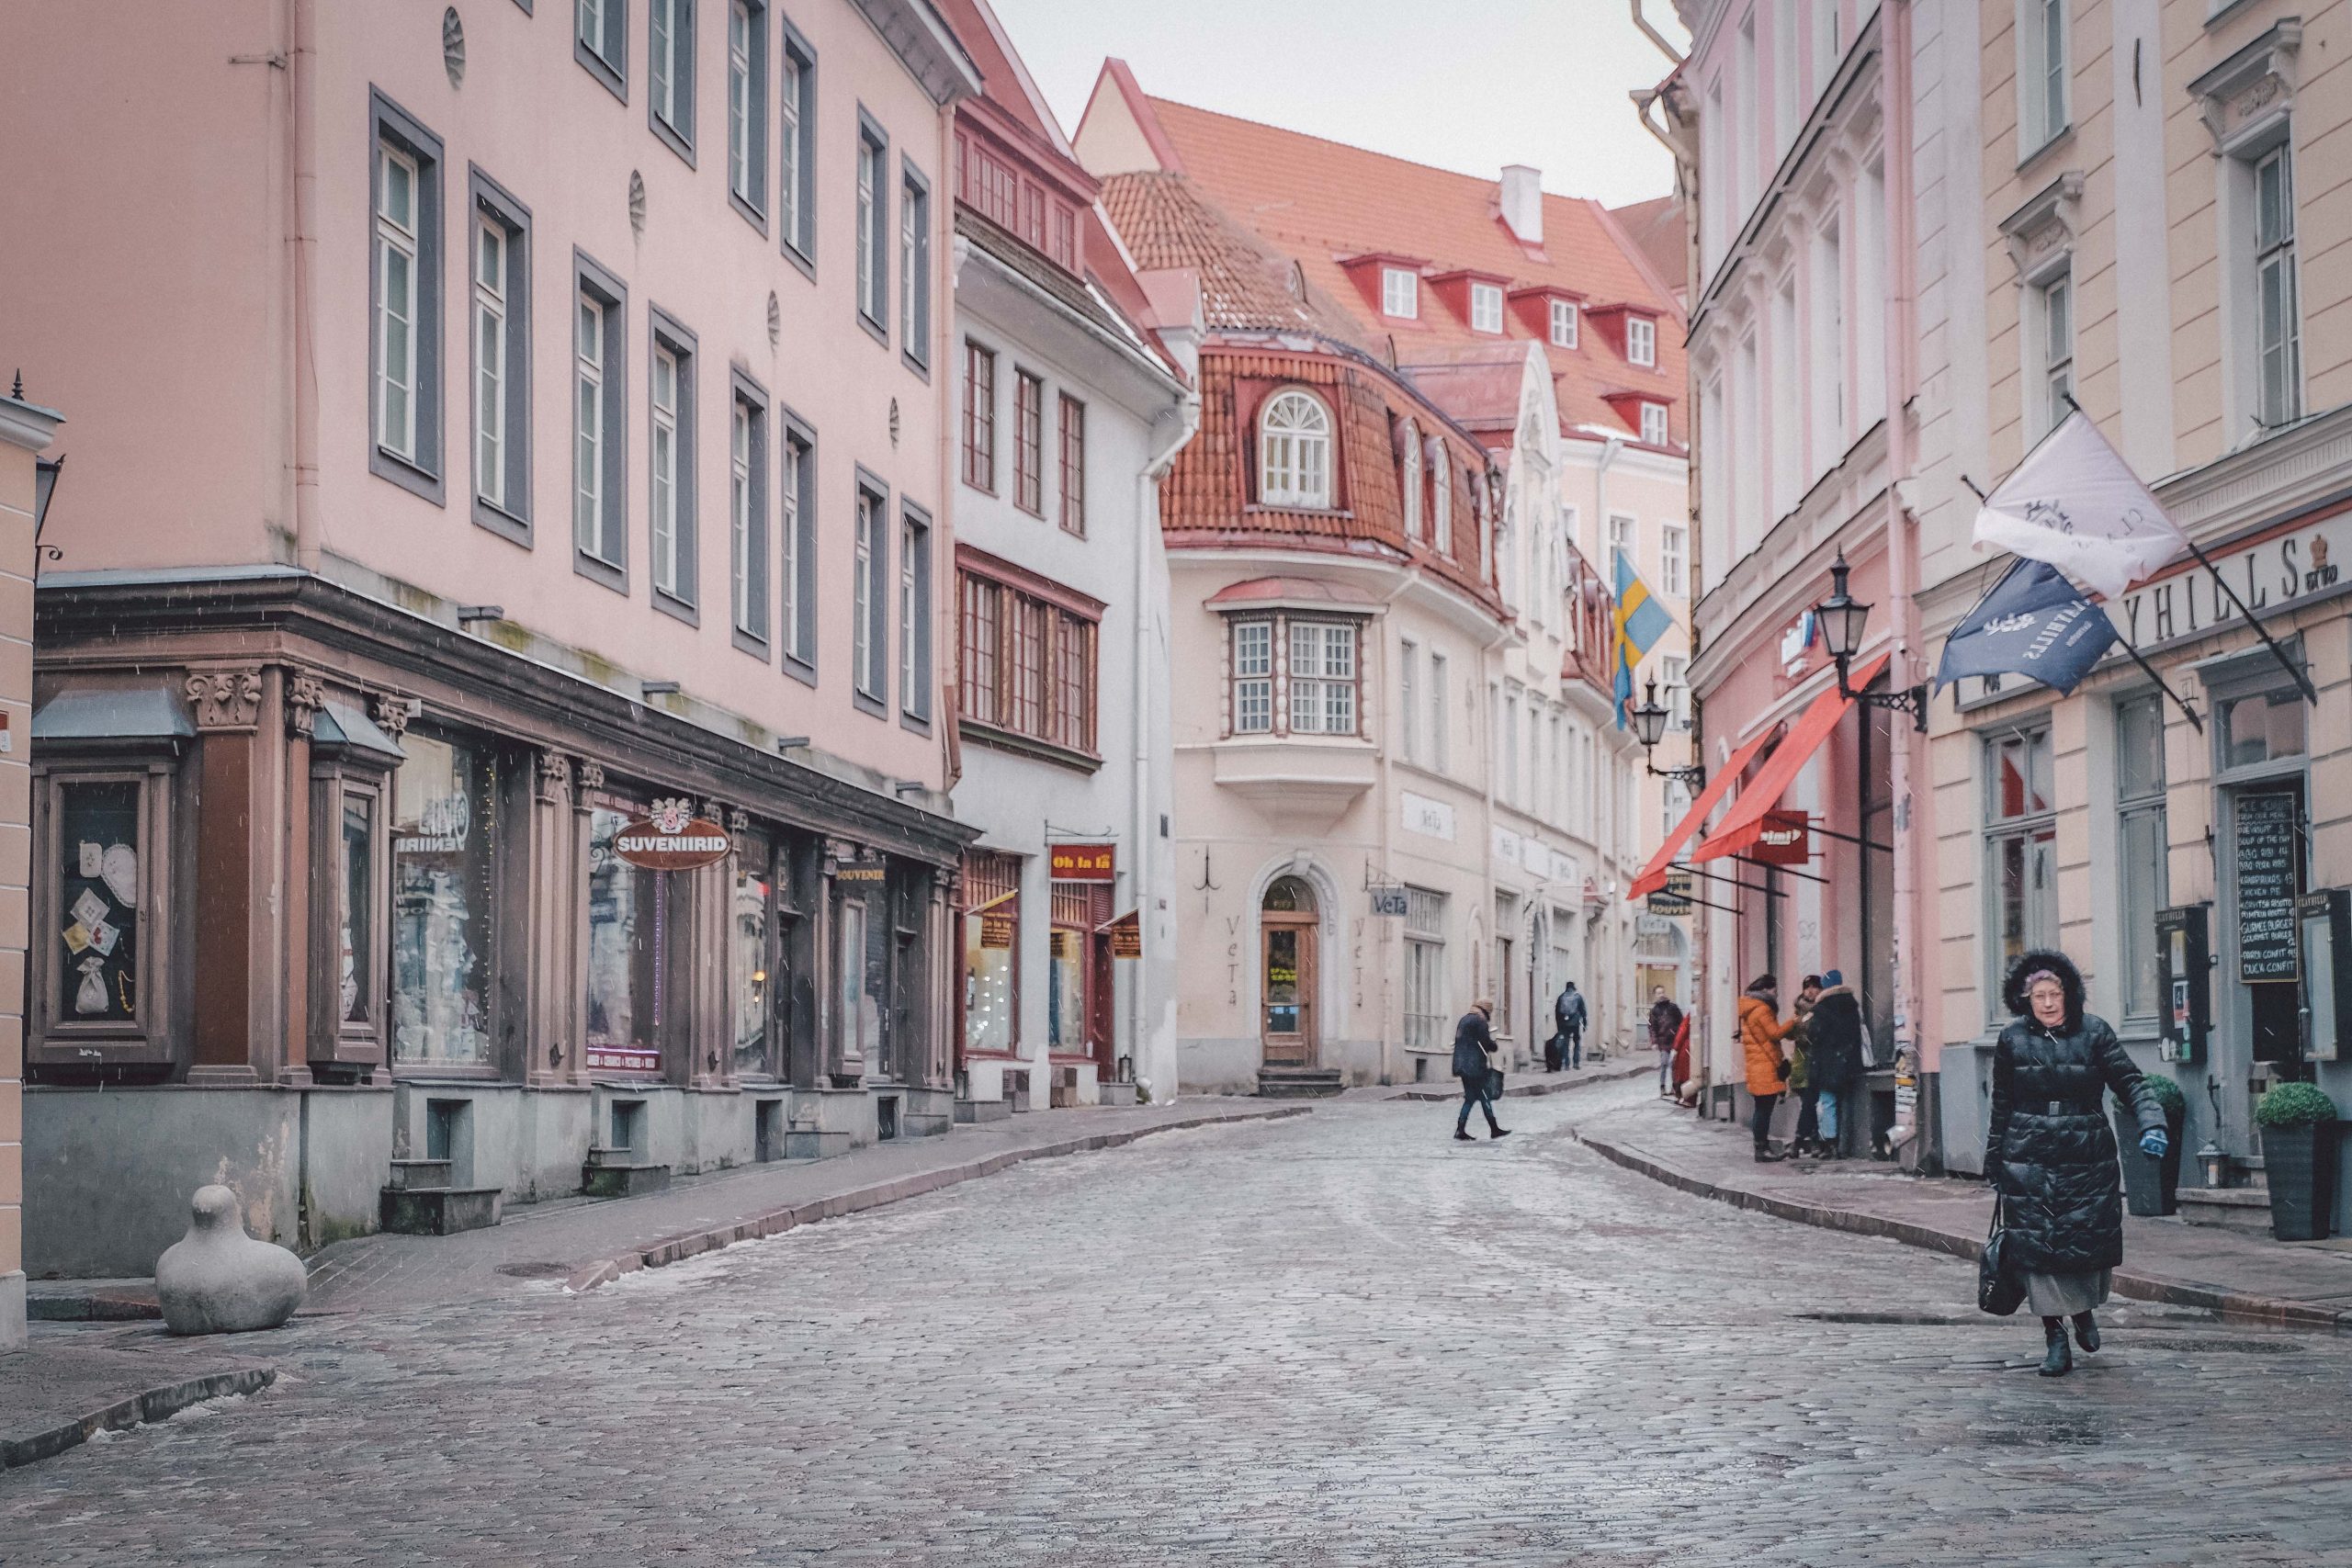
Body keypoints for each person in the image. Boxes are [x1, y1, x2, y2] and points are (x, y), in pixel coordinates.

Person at [1986, 949, 2169, 1378]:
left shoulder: (2095, 1033)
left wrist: (2152, 1122)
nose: (2048, 1003)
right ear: (2025, 999)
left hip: (2085, 1154)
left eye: (2055, 994)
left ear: (2069, 994)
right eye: (2039, 996)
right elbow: (2002, 1104)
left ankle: (2083, 1311)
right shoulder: (2012, 1039)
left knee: (2084, 1242)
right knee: (2037, 1250)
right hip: (2027, 1154)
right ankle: (2055, 1337)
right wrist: (1995, 1161)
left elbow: (2131, 1082)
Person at [1806, 970, 1866, 1160]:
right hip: (1848, 1062)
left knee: (1826, 1104)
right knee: (1845, 1103)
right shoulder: (1852, 1006)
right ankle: (1844, 1145)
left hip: (1827, 1063)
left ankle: (1829, 1144)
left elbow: (1814, 1035)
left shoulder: (1822, 1008)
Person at [1738, 975, 1798, 1162]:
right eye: (1774, 991)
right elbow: (1775, 1033)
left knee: (1761, 1109)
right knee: (1764, 1110)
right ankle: (1761, 1149)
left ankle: (1761, 1147)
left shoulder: (1751, 1008)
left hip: (1757, 1066)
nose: (1776, 995)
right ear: (1765, 990)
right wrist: (1793, 1021)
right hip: (1764, 1067)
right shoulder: (1762, 1009)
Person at [1451, 998, 1510, 1143]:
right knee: (1483, 1096)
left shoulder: (1464, 1020)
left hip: (1461, 1065)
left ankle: (1461, 1129)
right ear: (1486, 1011)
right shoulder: (1480, 1021)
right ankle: (1493, 1129)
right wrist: (1494, 1045)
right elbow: (1485, 1042)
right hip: (1474, 1066)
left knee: (1471, 1098)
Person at [1786, 976, 1825, 1156]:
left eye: (1815, 987)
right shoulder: (1798, 1012)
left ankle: (1801, 1142)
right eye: (1807, 987)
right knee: (1809, 1104)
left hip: (1817, 1062)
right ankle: (1810, 1142)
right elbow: (1792, 1034)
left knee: (1810, 1105)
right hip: (1802, 1064)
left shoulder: (1823, 1009)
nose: (1811, 991)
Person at [1647, 987, 1684, 1098]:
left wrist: (1677, 1033)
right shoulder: (1654, 1011)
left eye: (1662, 992)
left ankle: (1674, 1086)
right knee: (1664, 1063)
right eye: (1658, 993)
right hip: (1663, 1041)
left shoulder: (1672, 1007)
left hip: (1674, 1040)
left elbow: (1681, 1021)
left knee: (1674, 1064)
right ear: (1655, 995)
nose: (1661, 994)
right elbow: (1652, 1027)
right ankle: (1662, 1087)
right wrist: (1654, 1041)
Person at [1555, 981, 1589, 1070]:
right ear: (1574, 987)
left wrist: (1559, 1025)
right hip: (1575, 1024)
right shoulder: (1578, 997)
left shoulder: (1561, 997)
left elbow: (1557, 1013)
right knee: (1577, 1042)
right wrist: (1585, 1023)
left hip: (1564, 1024)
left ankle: (1566, 1064)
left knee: (1565, 1043)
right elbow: (1583, 1011)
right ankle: (1576, 1063)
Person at [1669, 1010, 1696, 1106]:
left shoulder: (1692, 1014)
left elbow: (1683, 1030)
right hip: (1693, 1046)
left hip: (1687, 1048)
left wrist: (1675, 1048)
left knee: (1684, 1074)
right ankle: (1687, 1097)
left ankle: (1686, 1097)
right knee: (1690, 1074)